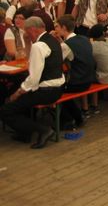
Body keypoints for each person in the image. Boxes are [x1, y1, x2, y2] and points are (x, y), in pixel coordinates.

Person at [0, 17, 64, 149]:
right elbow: (31, 62)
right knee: (21, 98)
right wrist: (27, 42)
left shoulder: (39, 46)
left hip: (47, 91)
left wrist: (18, 93)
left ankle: (43, 130)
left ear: (33, 29)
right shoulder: (52, 40)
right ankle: (24, 133)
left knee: (6, 110)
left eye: (27, 32)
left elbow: (33, 77)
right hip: (58, 88)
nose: (26, 35)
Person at [55, 14, 96, 128]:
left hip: (78, 81)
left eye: (57, 26)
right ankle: (75, 118)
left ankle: (70, 120)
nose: (55, 29)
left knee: (55, 90)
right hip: (89, 79)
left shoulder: (67, 45)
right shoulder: (84, 39)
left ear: (64, 27)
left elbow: (55, 61)